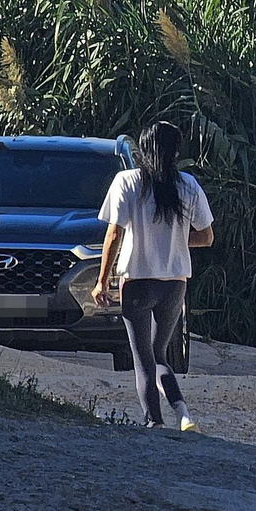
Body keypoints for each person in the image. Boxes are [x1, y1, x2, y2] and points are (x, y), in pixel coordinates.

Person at [94, 121, 214, 430]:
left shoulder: (127, 181)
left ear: (142, 150)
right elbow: (206, 237)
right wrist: (175, 240)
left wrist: (102, 281)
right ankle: (183, 412)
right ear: (176, 152)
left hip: (137, 281)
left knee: (142, 357)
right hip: (174, 284)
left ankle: (154, 421)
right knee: (161, 353)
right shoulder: (188, 185)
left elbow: (113, 235)